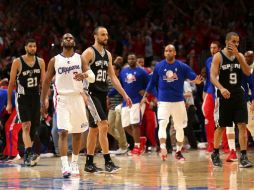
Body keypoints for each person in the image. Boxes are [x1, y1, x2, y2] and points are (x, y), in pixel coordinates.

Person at [41, 33, 94, 178]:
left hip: (77, 97)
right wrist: (43, 99)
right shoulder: (54, 60)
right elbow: (46, 81)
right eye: (66, 38)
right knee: (63, 131)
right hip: (62, 98)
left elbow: (92, 76)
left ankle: (74, 163)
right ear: (61, 42)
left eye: (71, 38)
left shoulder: (80, 58)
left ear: (74, 42)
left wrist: (84, 75)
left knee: (77, 133)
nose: (69, 39)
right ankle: (64, 164)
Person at [81, 26, 132, 173]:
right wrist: (82, 94)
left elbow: (113, 77)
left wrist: (124, 94)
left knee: (94, 129)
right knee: (104, 124)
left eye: (107, 35)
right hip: (91, 93)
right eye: (103, 35)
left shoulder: (108, 55)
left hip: (102, 93)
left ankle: (89, 163)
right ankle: (108, 161)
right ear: (95, 36)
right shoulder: (89, 52)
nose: (106, 37)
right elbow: (78, 73)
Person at [141, 44, 203, 161]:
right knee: (162, 124)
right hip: (163, 102)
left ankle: (178, 151)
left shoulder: (181, 66)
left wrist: (196, 80)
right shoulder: (159, 66)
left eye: (170, 51)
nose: (168, 52)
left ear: (175, 53)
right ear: (164, 53)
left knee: (179, 127)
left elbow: (192, 76)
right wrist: (145, 96)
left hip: (178, 102)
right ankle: (163, 148)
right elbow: (152, 83)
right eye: (166, 51)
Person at [210, 32, 253, 168]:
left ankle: (244, 156)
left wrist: (240, 57)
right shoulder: (218, 56)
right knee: (221, 126)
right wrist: (221, 88)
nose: (236, 44)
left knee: (242, 125)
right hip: (224, 95)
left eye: (238, 42)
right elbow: (212, 76)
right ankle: (215, 153)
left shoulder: (240, 56)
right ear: (227, 41)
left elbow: (247, 72)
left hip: (238, 95)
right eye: (234, 41)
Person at [6, 38, 46, 167]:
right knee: (26, 125)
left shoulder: (40, 62)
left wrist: (45, 99)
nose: (33, 48)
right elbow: (11, 83)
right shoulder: (17, 62)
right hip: (22, 98)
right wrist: (9, 103)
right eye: (30, 46)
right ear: (25, 48)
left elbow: (43, 83)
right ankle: (28, 153)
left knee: (34, 128)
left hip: (35, 98)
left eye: (34, 46)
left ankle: (29, 152)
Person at [202, 41, 229, 153]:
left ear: (219, 49)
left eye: (214, 48)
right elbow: (208, 78)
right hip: (210, 92)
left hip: (222, 92)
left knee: (224, 119)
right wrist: (204, 92)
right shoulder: (208, 60)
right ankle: (211, 144)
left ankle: (227, 146)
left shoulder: (225, 60)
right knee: (208, 119)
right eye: (211, 48)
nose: (212, 50)